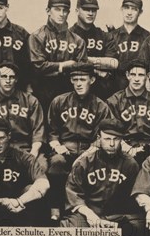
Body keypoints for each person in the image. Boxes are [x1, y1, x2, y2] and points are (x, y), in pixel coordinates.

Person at [60, 119, 146, 236]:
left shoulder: (130, 164)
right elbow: (73, 193)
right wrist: (90, 215)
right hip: (90, 214)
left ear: (121, 140)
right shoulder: (84, 162)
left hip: (116, 215)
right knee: (72, 229)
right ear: (99, 138)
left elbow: (134, 198)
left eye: (116, 139)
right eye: (107, 139)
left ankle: (101, 234)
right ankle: (112, 235)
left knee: (141, 227)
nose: (112, 144)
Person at [47, 62, 112, 220]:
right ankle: (55, 208)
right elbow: (52, 131)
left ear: (92, 80)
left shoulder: (101, 106)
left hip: (89, 149)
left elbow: (102, 136)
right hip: (65, 148)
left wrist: (89, 152)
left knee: (94, 166)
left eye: (82, 79)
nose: (78, 83)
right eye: (75, 79)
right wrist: (57, 145)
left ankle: (86, 210)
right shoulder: (59, 101)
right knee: (56, 163)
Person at [29, 0, 87, 114]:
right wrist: (64, 65)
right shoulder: (37, 36)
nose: (61, 14)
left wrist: (53, 68)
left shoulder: (77, 40)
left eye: (65, 10)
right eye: (57, 9)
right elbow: (38, 66)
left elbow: (82, 68)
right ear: (48, 11)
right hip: (43, 92)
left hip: (70, 92)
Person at [106, 60, 150, 164]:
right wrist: (130, 151)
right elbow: (111, 133)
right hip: (122, 151)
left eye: (140, 75)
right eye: (133, 74)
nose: (136, 79)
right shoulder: (114, 101)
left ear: (147, 76)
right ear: (127, 75)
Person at [0, 62, 45, 158]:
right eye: (4, 76)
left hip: (26, 149)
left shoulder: (30, 101)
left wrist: (33, 153)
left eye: (11, 77)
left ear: (16, 79)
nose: (8, 80)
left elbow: (38, 131)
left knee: (41, 166)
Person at [70, 0, 119, 100]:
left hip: (101, 91)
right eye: (86, 9)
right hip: (73, 92)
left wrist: (83, 60)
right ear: (77, 11)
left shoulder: (104, 36)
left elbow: (113, 64)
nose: (90, 13)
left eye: (94, 10)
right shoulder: (68, 35)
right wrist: (100, 71)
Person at [110, 0, 150, 91]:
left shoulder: (148, 37)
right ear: (121, 9)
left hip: (140, 89)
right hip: (115, 89)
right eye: (126, 8)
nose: (129, 12)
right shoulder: (111, 36)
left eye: (134, 9)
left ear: (140, 12)